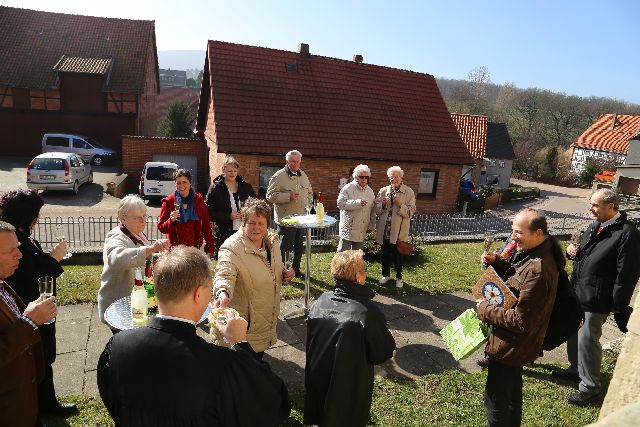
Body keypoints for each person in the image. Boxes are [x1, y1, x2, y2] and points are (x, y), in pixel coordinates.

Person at [97, 245, 290, 426]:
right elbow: (273, 404)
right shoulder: (221, 365)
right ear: (198, 294)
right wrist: (241, 344)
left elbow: (113, 401)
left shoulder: (116, 345)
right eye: (210, 288)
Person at [477, 208, 564, 426]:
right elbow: (518, 280)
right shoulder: (536, 254)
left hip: (511, 346)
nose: (513, 237)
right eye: (513, 231)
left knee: (496, 400)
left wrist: (484, 309)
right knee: (511, 394)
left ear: (538, 233)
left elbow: (520, 321)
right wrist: (497, 261)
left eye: (519, 232)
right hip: (517, 346)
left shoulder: (538, 269)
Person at [555, 189, 640, 405]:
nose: (591, 209)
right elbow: (584, 256)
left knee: (587, 341)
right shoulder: (595, 226)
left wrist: (617, 303)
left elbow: (627, 272)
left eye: (595, 206)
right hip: (579, 292)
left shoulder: (627, 233)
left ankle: (590, 387)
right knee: (573, 334)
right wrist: (573, 253)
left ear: (611, 207)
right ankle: (576, 370)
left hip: (598, 298)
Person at [0, 189, 77, 419]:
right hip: (30, 311)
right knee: (37, 360)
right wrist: (54, 258)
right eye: (36, 213)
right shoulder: (13, 238)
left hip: (37, 310)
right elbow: (28, 275)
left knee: (43, 359)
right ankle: (44, 408)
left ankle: (45, 405)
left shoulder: (19, 235)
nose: (18, 255)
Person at [304, 250, 395, 427]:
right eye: (365, 270)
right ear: (358, 277)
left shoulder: (321, 301)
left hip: (319, 376)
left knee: (321, 412)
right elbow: (382, 352)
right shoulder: (367, 312)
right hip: (349, 383)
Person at [213, 198, 294, 356]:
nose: (256, 228)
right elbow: (224, 272)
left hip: (264, 322)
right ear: (243, 223)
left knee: (256, 363)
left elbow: (270, 267)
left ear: (267, 225)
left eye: (261, 223)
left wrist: (283, 272)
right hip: (243, 327)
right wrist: (222, 292)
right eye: (251, 223)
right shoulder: (232, 248)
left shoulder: (272, 242)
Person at [0, 220, 57, 427]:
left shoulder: (2, 282)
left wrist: (27, 315)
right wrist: (29, 321)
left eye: (19, 247)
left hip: (23, 400)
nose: (20, 255)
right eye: (11, 250)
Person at [98, 195, 170, 325]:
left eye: (144, 216)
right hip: (117, 306)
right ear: (123, 218)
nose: (143, 221)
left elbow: (143, 259)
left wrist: (159, 255)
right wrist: (151, 248)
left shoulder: (138, 233)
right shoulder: (116, 236)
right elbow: (117, 259)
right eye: (137, 217)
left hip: (136, 303)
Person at [266, 150, 312, 278]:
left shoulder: (303, 175)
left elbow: (309, 191)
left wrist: (309, 202)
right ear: (287, 162)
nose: (296, 164)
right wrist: (288, 196)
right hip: (286, 219)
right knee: (285, 246)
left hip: (301, 218)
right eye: (293, 161)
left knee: (298, 246)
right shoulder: (278, 176)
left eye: (298, 161)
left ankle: (295, 270)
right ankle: (280, 271)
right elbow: (270, 196)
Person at [205, 156, 256, 258]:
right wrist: (228, 216)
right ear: (223, 170)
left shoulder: (245, 186)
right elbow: (208, 212)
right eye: (229, 171)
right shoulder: (215, 188)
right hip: (224, 232)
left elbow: (254, 204)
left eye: (235, 171)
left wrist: (246, 211)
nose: (232, 173)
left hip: (244, 231)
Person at [374, 166, 416, 288]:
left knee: (398, 256)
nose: (394, 179)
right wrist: (382, 204)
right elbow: (376, 210)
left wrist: (400, 204)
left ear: (401, 177)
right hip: (384, 231)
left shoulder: (409, 192)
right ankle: (385, 275)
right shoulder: (383, 191)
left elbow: (410, 212)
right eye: (391, 177)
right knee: (384, 255)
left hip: (398, 232)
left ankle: (399, 277)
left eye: (396, 177)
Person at [158, 168, 215, 256]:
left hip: (195, 250)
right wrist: (171, 221)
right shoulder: (169, 201)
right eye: (178, 183)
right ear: (175, 184)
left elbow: (206, 225)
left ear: (190, 182)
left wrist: (211, 246)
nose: (181, 185)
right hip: (175, 252)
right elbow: (162, 228)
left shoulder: (198, 200)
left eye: (184, 182)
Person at [336, 164, 376, 252]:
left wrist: (371, 225)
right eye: (362, 177)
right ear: (355, 177)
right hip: (348, 230)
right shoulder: (348, 188)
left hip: (361, 230)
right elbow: (340, 204)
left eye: (366, 177)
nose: (364, 179)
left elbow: (372, 210)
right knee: (342, 257)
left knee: (357, 259)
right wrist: (358, 203)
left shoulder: (370, 191)